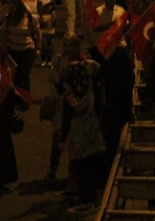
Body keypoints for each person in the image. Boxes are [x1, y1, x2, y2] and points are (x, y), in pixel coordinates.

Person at [62, 50, 106, 214]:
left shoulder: (75, 94)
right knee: (90, 167)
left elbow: (74, 109)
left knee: (83, 169)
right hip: (91, 132)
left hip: (81, 135)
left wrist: (62, 138)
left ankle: (86, 202)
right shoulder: (91, 87)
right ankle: (90, 199)